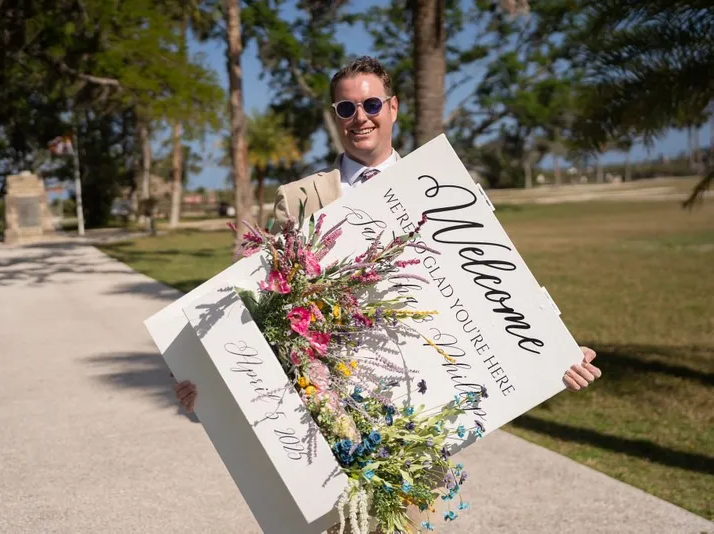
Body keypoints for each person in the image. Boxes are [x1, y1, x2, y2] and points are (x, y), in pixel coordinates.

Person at [172, 56, 602, 529]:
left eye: (371, 103)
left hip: (419, 414)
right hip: (329, 412)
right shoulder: (299, 198)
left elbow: (493, 288)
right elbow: (265, 308)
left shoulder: (446, 189)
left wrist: (555, 353)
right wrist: (209, 384)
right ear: (336, 116)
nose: (361, 117)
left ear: (393, 108)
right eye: (346, 108)